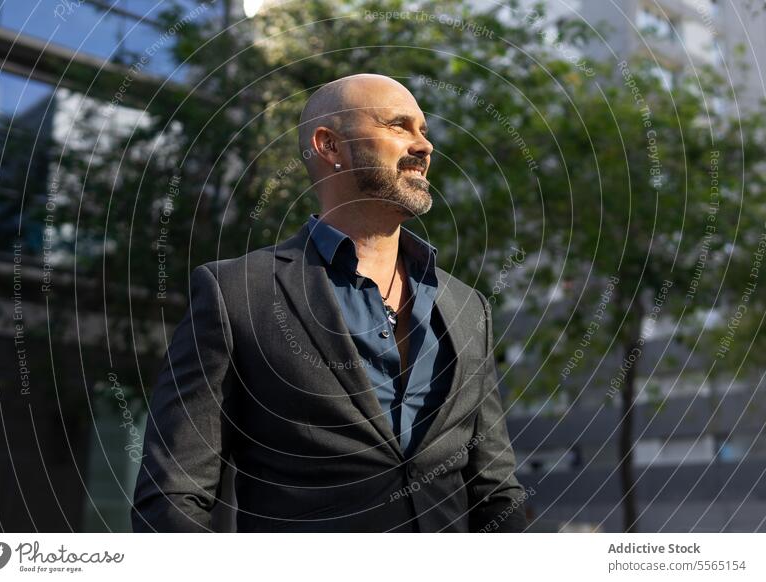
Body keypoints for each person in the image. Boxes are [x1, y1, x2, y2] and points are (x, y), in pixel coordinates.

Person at [131, 73, 527, 532]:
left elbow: (496, 489)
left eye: (424, 130)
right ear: (329, 146)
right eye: (399, 126)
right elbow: (174, 494)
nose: (424, 146)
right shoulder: (235, 294)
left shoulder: (467, 306)